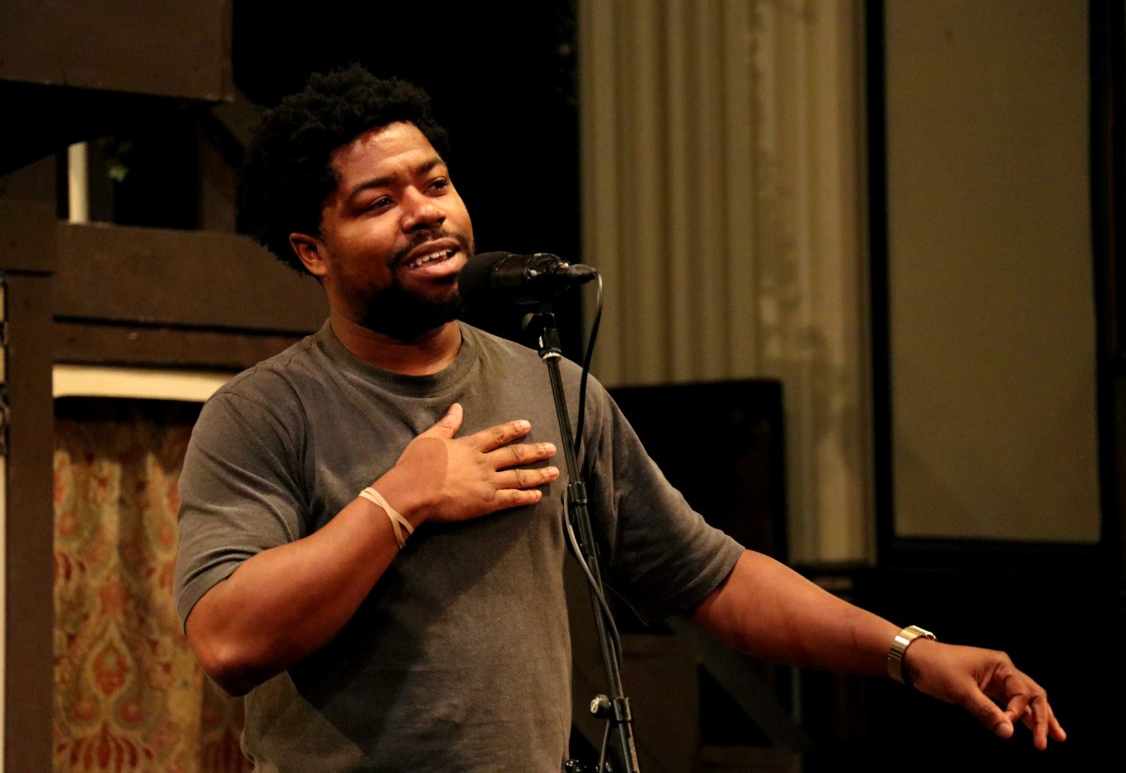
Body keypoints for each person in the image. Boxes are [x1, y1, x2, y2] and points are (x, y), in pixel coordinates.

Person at [175, 65, 1066, 771]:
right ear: (312, 251)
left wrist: (910, 653)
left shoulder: (552, 388)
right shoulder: (264, 413)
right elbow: (227, 639)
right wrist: (398, 501)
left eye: (434, 183)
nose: (425, 213)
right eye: (378, 203)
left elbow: (709, 576)